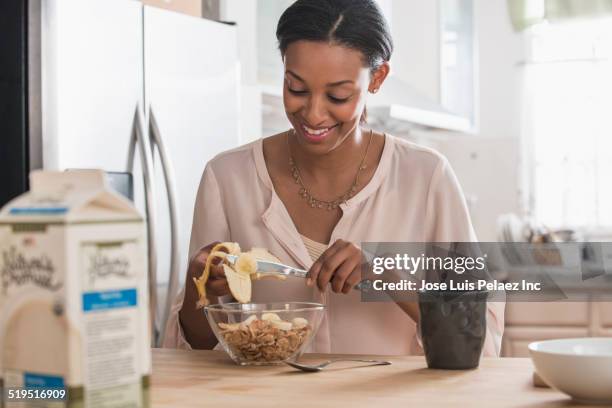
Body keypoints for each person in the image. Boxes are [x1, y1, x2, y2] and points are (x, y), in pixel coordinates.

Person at [163, 0, 504, 355]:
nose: (313, 113)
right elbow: (193, 350)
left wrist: (385, 272)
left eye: (337, 95)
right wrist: (198, 285)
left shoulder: (427, 177)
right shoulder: (227, 177)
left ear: (377, 78)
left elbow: (477, 339)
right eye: (296, 88)